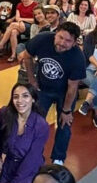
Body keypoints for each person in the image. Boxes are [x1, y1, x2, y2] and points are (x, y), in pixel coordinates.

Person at [22, 23, 86, 166]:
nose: (62, 43)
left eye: (68, 41)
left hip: (65, 93)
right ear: (55, 33)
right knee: (35, 122)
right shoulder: (42, 39)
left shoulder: (77, 58)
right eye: (60, 37)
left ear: (75, 43)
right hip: (43, 89)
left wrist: (66, 110)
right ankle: (32, 153)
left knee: (64, 124)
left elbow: (72, 87)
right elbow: (27, 56)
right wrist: (32, 79)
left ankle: (58, 158)